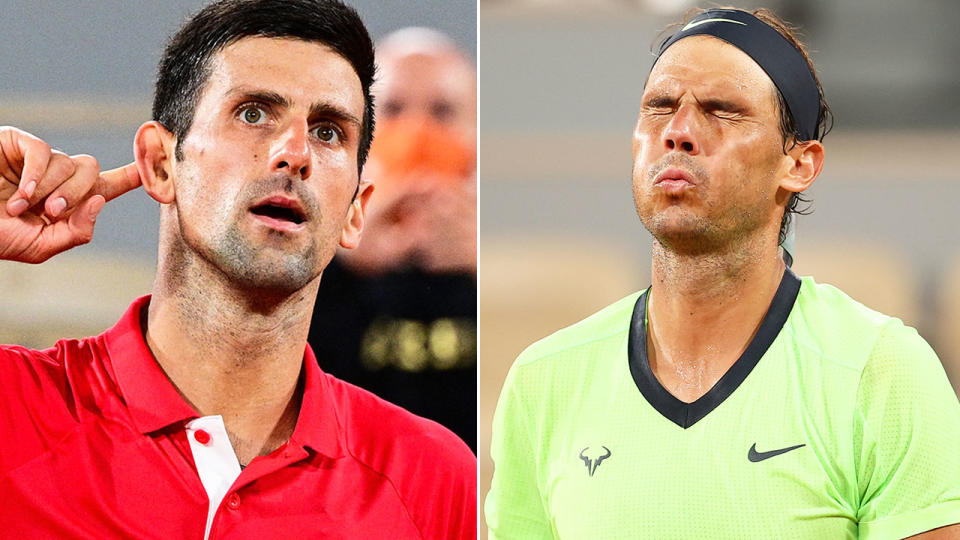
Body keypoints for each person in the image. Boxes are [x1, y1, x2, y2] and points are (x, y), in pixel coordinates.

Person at [0, 1, 475, 538]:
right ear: (160, 163)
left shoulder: (434, 479)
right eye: (253, 113)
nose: (295, 153)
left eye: (327, 131)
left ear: (355, 210)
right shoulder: (12, 410)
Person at [485, 7, 960, 539]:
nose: (679, 132)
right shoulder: (542, 380)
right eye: (659, 107)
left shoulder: (883, 371)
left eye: (723, 111)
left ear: (799, 164)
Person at [309, 27, 477, 450]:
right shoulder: (305, 250)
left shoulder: (516, 257)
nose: (417, 132)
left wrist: (482, 267)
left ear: (475, 131)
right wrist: (341, 260)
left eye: (441, 112)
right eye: (395, 110)